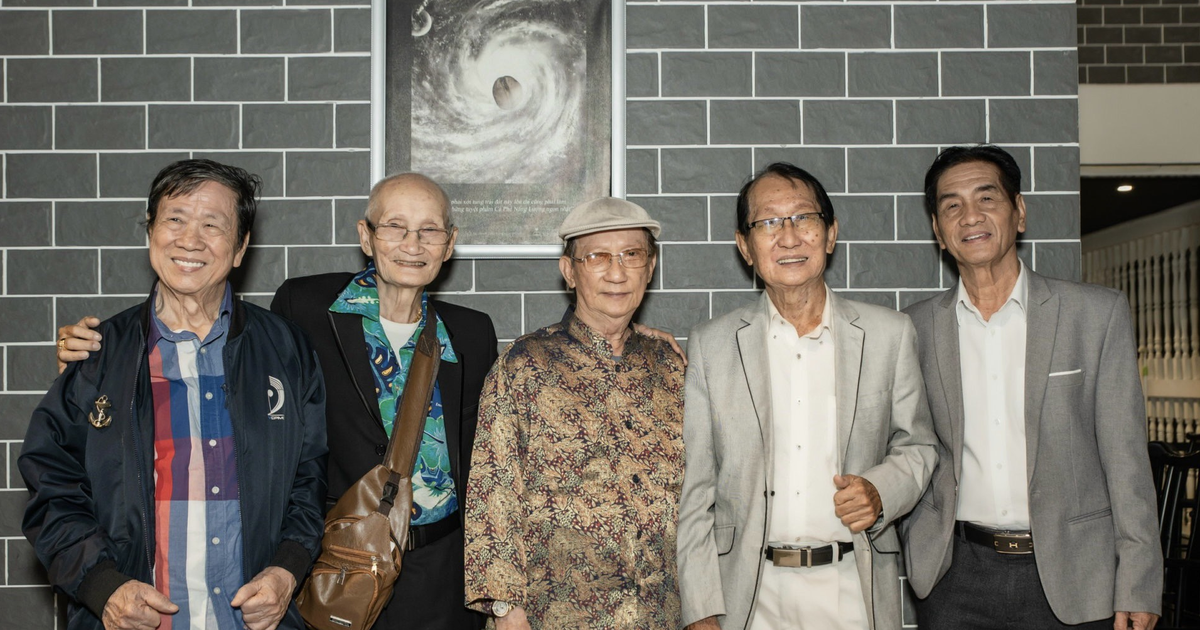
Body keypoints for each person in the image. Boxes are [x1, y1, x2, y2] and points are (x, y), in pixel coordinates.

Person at [55, 172, 498, 629]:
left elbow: (482, 463)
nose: (413, 243)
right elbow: (217, 338)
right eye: (394, 226)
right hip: (337, 568)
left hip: (439, 571)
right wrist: (101, 353)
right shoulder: (304, 306)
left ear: (449, 244)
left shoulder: (472, 333)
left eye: (430, 230)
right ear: (365, 236)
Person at [21, 159, 328, 630]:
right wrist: (103, 586)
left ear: (241, 246)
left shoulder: (287, 351)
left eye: (213, 225)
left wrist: (287, 569)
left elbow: (311, 480)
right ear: (150, 233)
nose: (190, 240)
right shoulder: (98, 357)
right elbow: (51, 489)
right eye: (175, 220)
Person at [900, 145, 1163, 630]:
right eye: (951, 205)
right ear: (938, 231)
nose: (970, 216)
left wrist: (1140, 582)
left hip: (1075, 574)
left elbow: (1127, 460)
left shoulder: (1095, 315)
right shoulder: (912, 329)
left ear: (1019, 212)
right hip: (955, 577)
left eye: (987, 198)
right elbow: (911, 448)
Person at [676, 163, 937, 630]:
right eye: (768, 222)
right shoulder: (712, 346)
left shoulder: (888, 334)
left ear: (831, 234)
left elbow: (918, 445)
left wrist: (881, 490)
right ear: (745, 247)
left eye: (804, 218)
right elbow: (696, 492)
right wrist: (701, 608)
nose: (789, 236)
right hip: (750, 598)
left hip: (852, 587)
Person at [462, 198, 686, 629]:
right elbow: (494, 493)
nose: (617, 273)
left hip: (662, 615)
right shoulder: (524, 365)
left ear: (651, 267)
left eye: (631, 255)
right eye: (598, 257)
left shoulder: (671, 366)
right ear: (569, 271)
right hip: (555, 617)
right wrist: (506, 612)